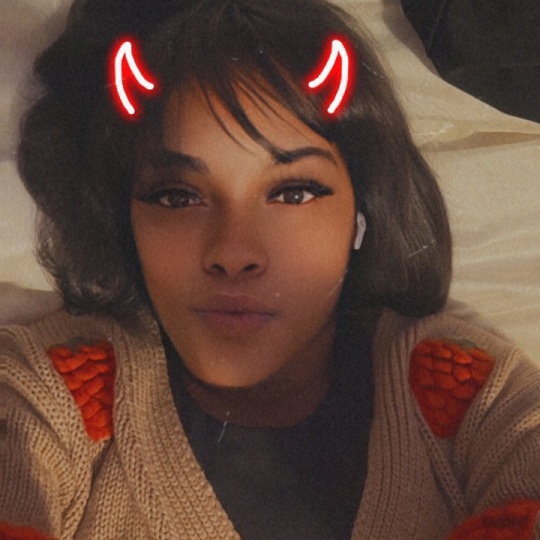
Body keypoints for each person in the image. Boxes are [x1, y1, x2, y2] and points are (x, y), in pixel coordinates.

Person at [1, 0, 539, 538]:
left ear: (363, 212)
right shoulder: (53, 391)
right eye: (177, 197)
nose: (233, 253)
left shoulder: (465, 390)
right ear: (125, 220)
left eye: (293, 193)